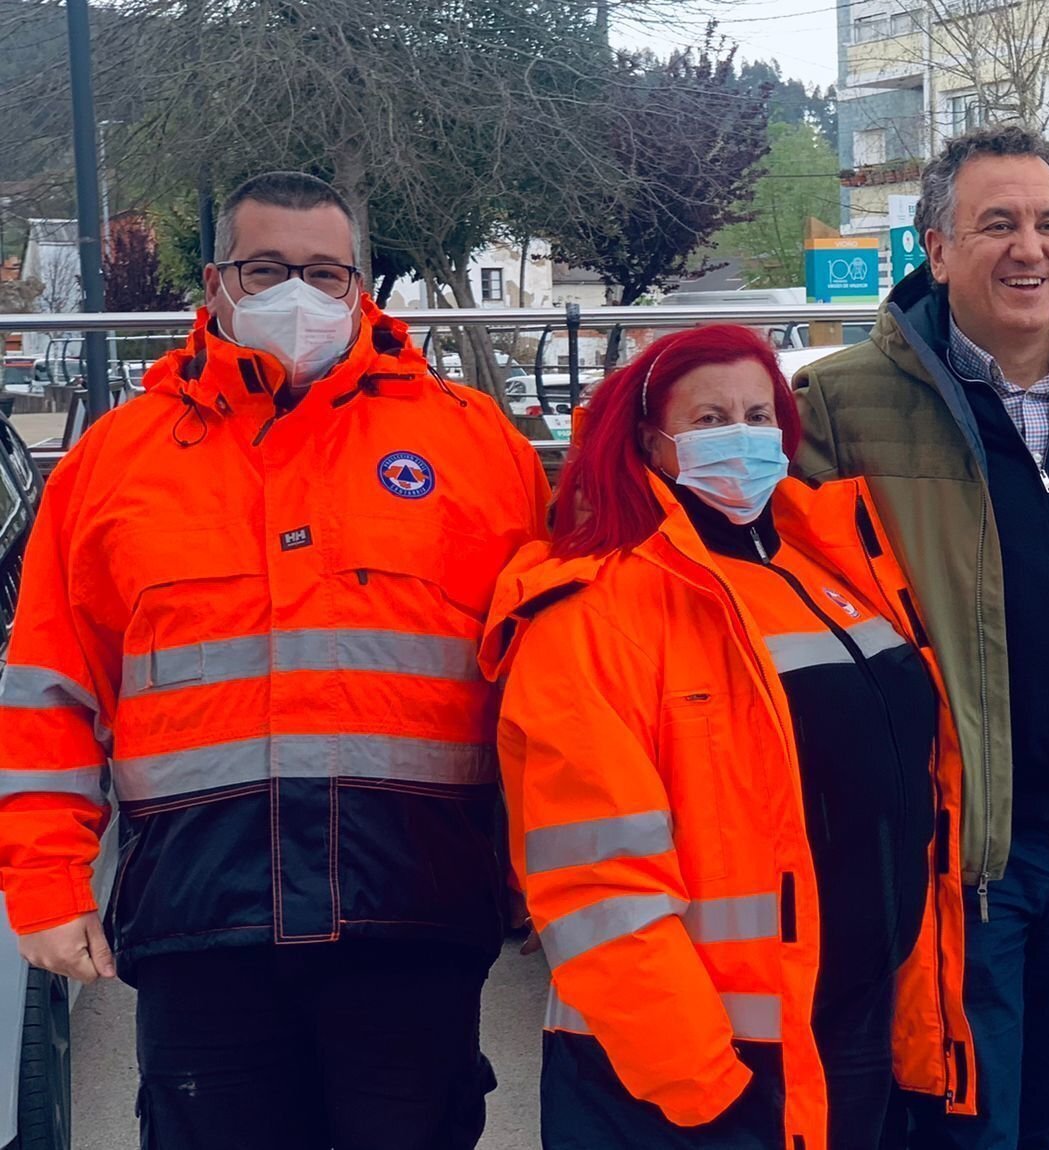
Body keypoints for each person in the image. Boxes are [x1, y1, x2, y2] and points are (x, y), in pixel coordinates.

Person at [0, 171, 550, 1149]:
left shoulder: (476, 452)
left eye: (322, 271)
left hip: (413, 922)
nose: (295, 291)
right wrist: (44, 884)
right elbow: (51, 691)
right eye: (266, 268)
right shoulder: (113, 466)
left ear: (359, 287)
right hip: (202, 929)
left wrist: (549, 873)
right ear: (215, 283)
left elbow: (548, 687)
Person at [790, 123, 1049, 1149]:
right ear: (934, 250)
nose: (1031, 248)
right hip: (960, 840)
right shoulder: (844, 404)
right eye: (997, 224)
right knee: (970, 1115)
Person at [482, 325, 974, 1150]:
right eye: (709, 420)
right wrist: (702, 1086)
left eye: (757, 414)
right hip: (712, 1065)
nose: (740, 437)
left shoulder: (830, 569)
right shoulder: (593, 612)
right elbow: (597, 889)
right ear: (651, 442)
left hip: (852, 1019)